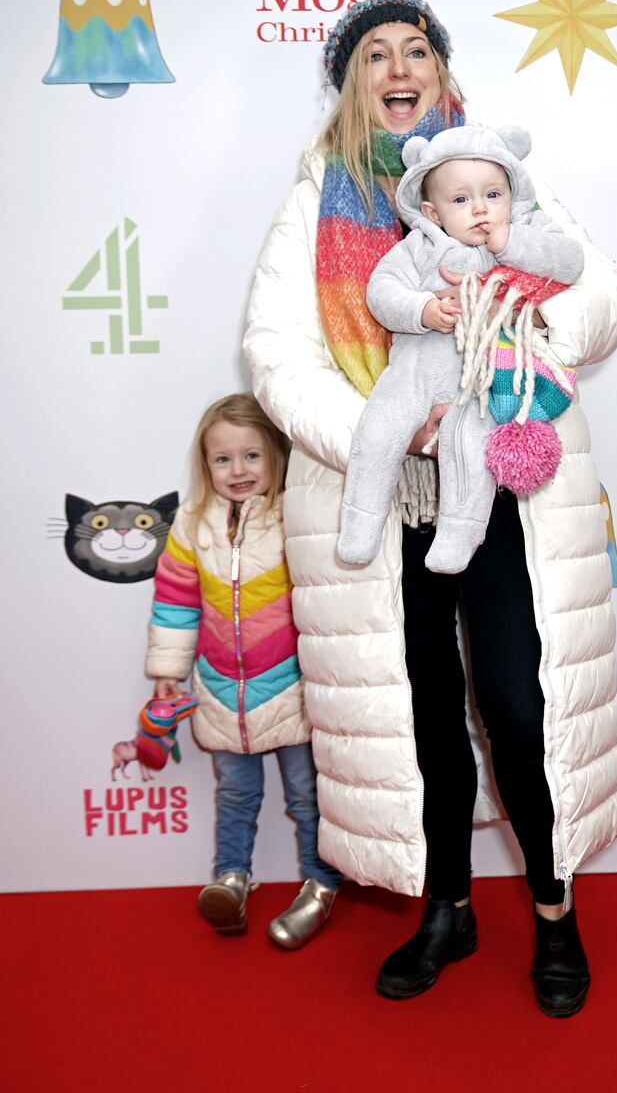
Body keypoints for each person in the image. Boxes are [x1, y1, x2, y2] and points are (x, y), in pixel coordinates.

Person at [245, 0, 617, 1017]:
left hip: (503, 481)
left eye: (417, 47)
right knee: (419, 718)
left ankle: (554, 909)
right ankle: (448, 909)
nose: (399, 64)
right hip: (380, 499)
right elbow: (275, 357)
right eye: (377, 53)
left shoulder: (494, 182)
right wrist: (389, 425)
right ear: (352, 85)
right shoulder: (313, 200)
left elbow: (595, 297)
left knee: (516, 702)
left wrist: (517, 334)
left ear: (441, 72)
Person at [336, 121, 584, 574]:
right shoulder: (419, 247)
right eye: (461, 200)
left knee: (469, 446)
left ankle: (461, 533)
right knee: (378, 430)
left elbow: (571, 262)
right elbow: (381, 290)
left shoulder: (524, 233)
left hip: (484, 377)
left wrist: (515, 245)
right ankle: (360, 522)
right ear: (432, 214)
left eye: (493, 195)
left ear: (512, 195)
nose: (481, 211)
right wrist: (422, 309)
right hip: (415, 368)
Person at [145, 393, 341, 947]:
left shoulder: (295, 516)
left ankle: (321, 883)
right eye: (222, 459)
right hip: (219, 692)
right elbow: (176, 601)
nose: (238, 471)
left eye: (251, 456)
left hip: (295, 691)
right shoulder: (191, 523)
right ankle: (231, 878)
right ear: (205, 466)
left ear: (276, 456)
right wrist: (168, 668)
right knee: (235, 793)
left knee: (307, 796)